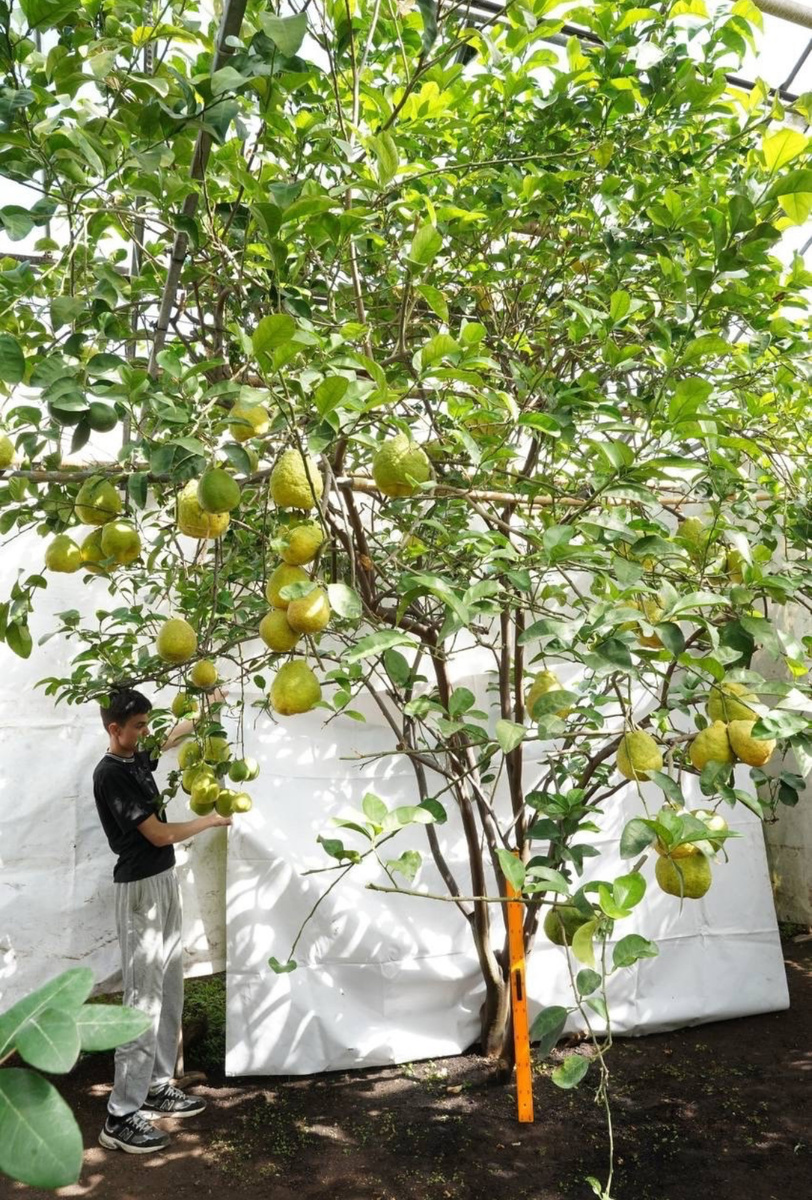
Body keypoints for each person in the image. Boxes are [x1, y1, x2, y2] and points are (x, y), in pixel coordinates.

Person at [94, 685, 231, 1155]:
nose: (145, 733)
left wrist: (207, 704)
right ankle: (120, 1116)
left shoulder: (136, 757)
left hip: (163, 882)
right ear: (115, 729)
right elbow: (157, 835)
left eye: (147, 724)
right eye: (137, 726)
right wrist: (210, 820)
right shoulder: (111, 774)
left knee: (169, 983)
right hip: (140, 892)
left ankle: (154, 1084)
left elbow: (168, 739)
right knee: (142, 999)